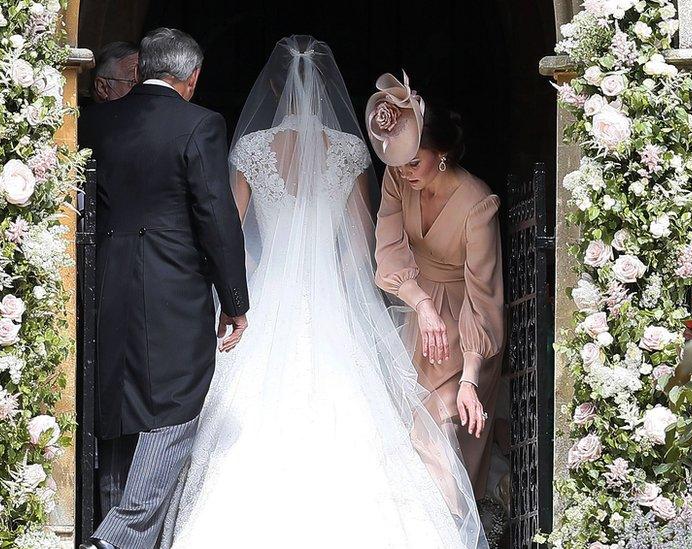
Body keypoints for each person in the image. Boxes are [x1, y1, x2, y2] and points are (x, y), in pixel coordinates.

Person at [159, 36, 486, 549]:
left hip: (264, 299)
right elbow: (360, 245)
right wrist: (343, 289)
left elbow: (231, 233)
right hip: (334, 301)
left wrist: (248, 283)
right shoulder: (351, 151)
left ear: (272, 86)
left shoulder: (252, 149)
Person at [78, 28, 249, 549]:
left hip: (107, 280)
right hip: (173, 284)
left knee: (118, 404)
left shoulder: (98, 120)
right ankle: (117, 538)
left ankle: (108, 523)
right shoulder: (200, 124)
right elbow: (216, 215)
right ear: (192, 77)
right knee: (177, 403)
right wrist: (235, 301)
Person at [369, 72, 505, 499]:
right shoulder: (397, 179)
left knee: (444, 429)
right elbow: (388, 249)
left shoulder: (477, 203)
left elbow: (483, 298)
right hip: (414, 315)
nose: (405, 172)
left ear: (442, 153)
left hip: (464, 333)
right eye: (399, 162)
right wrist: (421, 303)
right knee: (398, 434)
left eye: (415, 161)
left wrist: (470, 378)